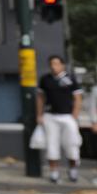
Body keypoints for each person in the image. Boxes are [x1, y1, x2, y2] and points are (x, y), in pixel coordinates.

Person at [37, 54, 84, 183]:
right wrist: (39, 115)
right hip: (50, 116)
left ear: (62, 65)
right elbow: (40, 98)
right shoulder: (45, 79)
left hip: (67, 116)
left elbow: (78, 98)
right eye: (52, 64)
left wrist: (74, 116)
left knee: (72, 143)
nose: (54, 67)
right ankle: (54, 172)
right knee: (52, 144)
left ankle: (73, 169)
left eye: (57, 64)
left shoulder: (70, 79)